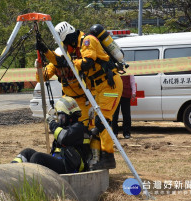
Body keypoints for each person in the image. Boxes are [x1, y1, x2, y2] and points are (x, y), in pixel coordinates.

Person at [37, 22, 123, 170]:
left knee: (102, 121)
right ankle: (94, 159)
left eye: (65, 43)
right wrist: (45, 52)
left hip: (108, 85)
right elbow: (55, 64)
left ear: (69, 38)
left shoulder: (87, 41)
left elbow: (86, 64)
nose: (66, 48)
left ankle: (108, 157)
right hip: (95, 89)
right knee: (95, 125)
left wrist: (69, 61)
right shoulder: (70, 52)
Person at [12, 96, 91, 174]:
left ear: (68, 115)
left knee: (38, 157)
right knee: (27, 152)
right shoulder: (67, 128)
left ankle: (35, 184)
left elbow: (64, 137)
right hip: (60, 161)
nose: (59, 119)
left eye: (61, 116)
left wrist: (52, 123)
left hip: (69, 166)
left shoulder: (78, 128)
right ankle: (11, 172)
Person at [35, 47, 94, 129]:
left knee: (84, 126)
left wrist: (93, 103)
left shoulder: (75, 64)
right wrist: (39, 68)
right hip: (67, 100)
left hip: (83, 100)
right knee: (65, 125)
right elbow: (41, 78)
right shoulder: (54, 65)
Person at [112, 75, 136, 139]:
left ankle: (126, 133)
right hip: (115, 95)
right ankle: (114, 132)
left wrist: (133, 92)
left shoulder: (128, 71)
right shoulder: (114, 70)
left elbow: (132, 82)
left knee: (126, 115)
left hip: (126, 94)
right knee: (114, 115)